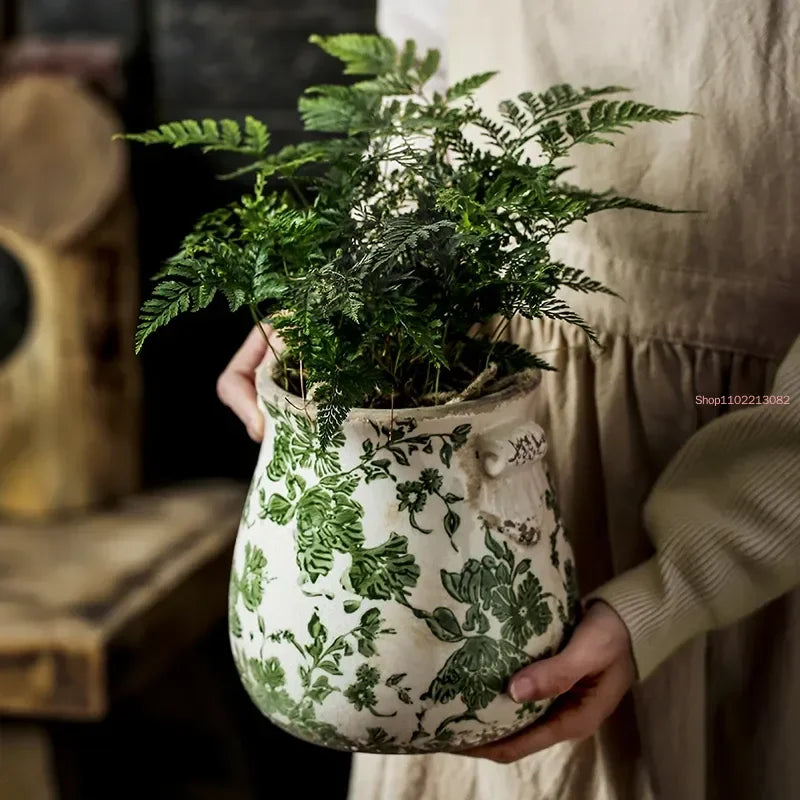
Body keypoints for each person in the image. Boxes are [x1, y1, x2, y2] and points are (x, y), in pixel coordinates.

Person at [216, 1, 800, 798]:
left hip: (740, 469)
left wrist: (678, 589)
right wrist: (353, 297)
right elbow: (420, 80)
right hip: (453, 432)